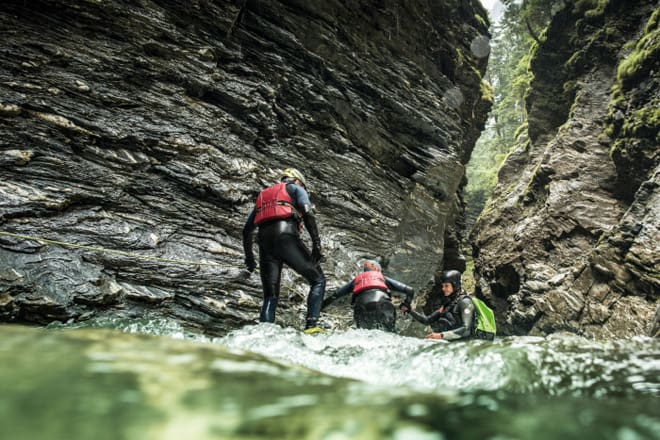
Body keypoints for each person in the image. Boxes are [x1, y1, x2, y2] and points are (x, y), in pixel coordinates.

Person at [242, 168, 326, 333]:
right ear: (297, 181)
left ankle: (264, 332)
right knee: (318, 280)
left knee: (270, 296)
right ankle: (311, 327)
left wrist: (250, 259)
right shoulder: (296, 188)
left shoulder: (263, 196)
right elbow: (308, 213)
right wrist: (316, 244)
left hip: (264, 243)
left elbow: (247, 230)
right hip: (285, 235)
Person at [322, 259, 414, 332]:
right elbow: (410, 290)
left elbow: (335, 295)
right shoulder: (381, 277)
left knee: (364, 335)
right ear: (374, 267)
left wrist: (320, 307)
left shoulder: (356, 280)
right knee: (390, 332)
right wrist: (406, 304)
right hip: (383, 303)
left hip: (361, 306)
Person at [402, 270, 475, 341]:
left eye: (446, 286)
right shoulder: (448, 305)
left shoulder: (465, 302)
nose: (443, 289)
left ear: (455, 286)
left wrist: (441, 336)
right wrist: (410, 311)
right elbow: (427, 320)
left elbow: (466, 330)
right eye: (443, 286)